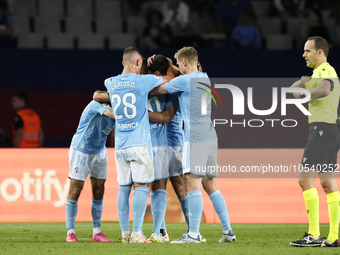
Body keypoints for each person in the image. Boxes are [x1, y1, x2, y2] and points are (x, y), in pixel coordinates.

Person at [150, 46, 235, 243]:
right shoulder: (204, 77)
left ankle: (194, 234)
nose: (178, 67)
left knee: (193, 184)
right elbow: (185, 73)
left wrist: (168, 67)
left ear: (185, 63)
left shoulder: (184, 80)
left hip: (194, 137)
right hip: (210, 135)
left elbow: (156, 90)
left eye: (179, 64)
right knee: (210, 184)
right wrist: (174, 65)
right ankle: (227, 231)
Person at [93, 47, 174, 243]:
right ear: (138, 63)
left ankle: (125, 234)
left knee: (123, 188)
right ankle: (138, 233)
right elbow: (168, 82)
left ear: (123, 63)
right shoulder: (143, 81)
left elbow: (102, 89)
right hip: (138, 144)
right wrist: (170, 65)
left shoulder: (111, 82)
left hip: (120, 144)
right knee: (142, 187)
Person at [289, 36, 340, 247]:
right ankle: (333, 237)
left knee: (304, 179)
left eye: (307, 51)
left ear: (320, 52)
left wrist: (306, 91)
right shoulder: (315, 74)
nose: (303, 54)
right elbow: (292, 92)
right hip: (326, 129)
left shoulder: (326, 71)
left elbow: (326, 90)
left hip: (322, 129)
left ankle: (314, 233)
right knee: (327, 183)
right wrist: (302, 83)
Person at [65, 100, 115, 243]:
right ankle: (71, 231)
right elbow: (113, 114)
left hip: (99, 151)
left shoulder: (121, 106)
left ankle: (97, 232)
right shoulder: (99, 104)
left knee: (99, 189)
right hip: (82, 150)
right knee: (75, 189)